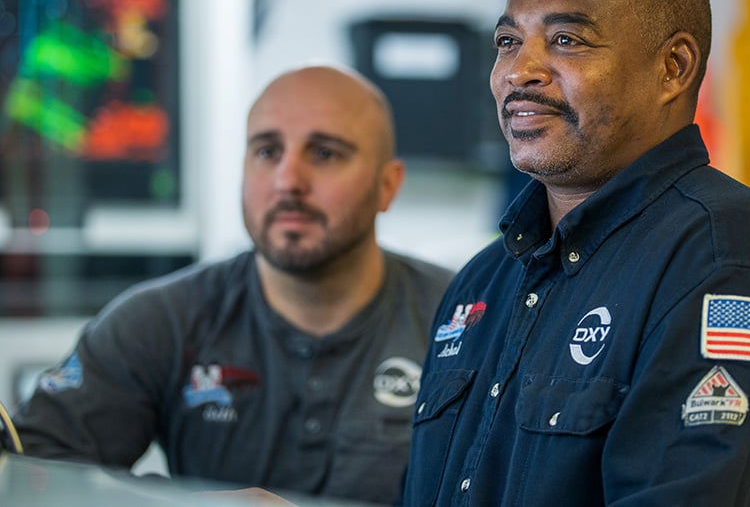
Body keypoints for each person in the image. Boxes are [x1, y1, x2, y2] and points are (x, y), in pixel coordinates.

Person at [401, 0, 750, 506]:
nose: (519, 71)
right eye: (508, 41)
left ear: (672, 67)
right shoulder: (481, 282)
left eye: (567, 39)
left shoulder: (734, 264)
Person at [13, 64, 455, 504]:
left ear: (387, 185)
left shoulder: (464, 321)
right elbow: (32, 468)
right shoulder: (163, 319)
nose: (288, 182)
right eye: (267, 152)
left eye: (324, 154)